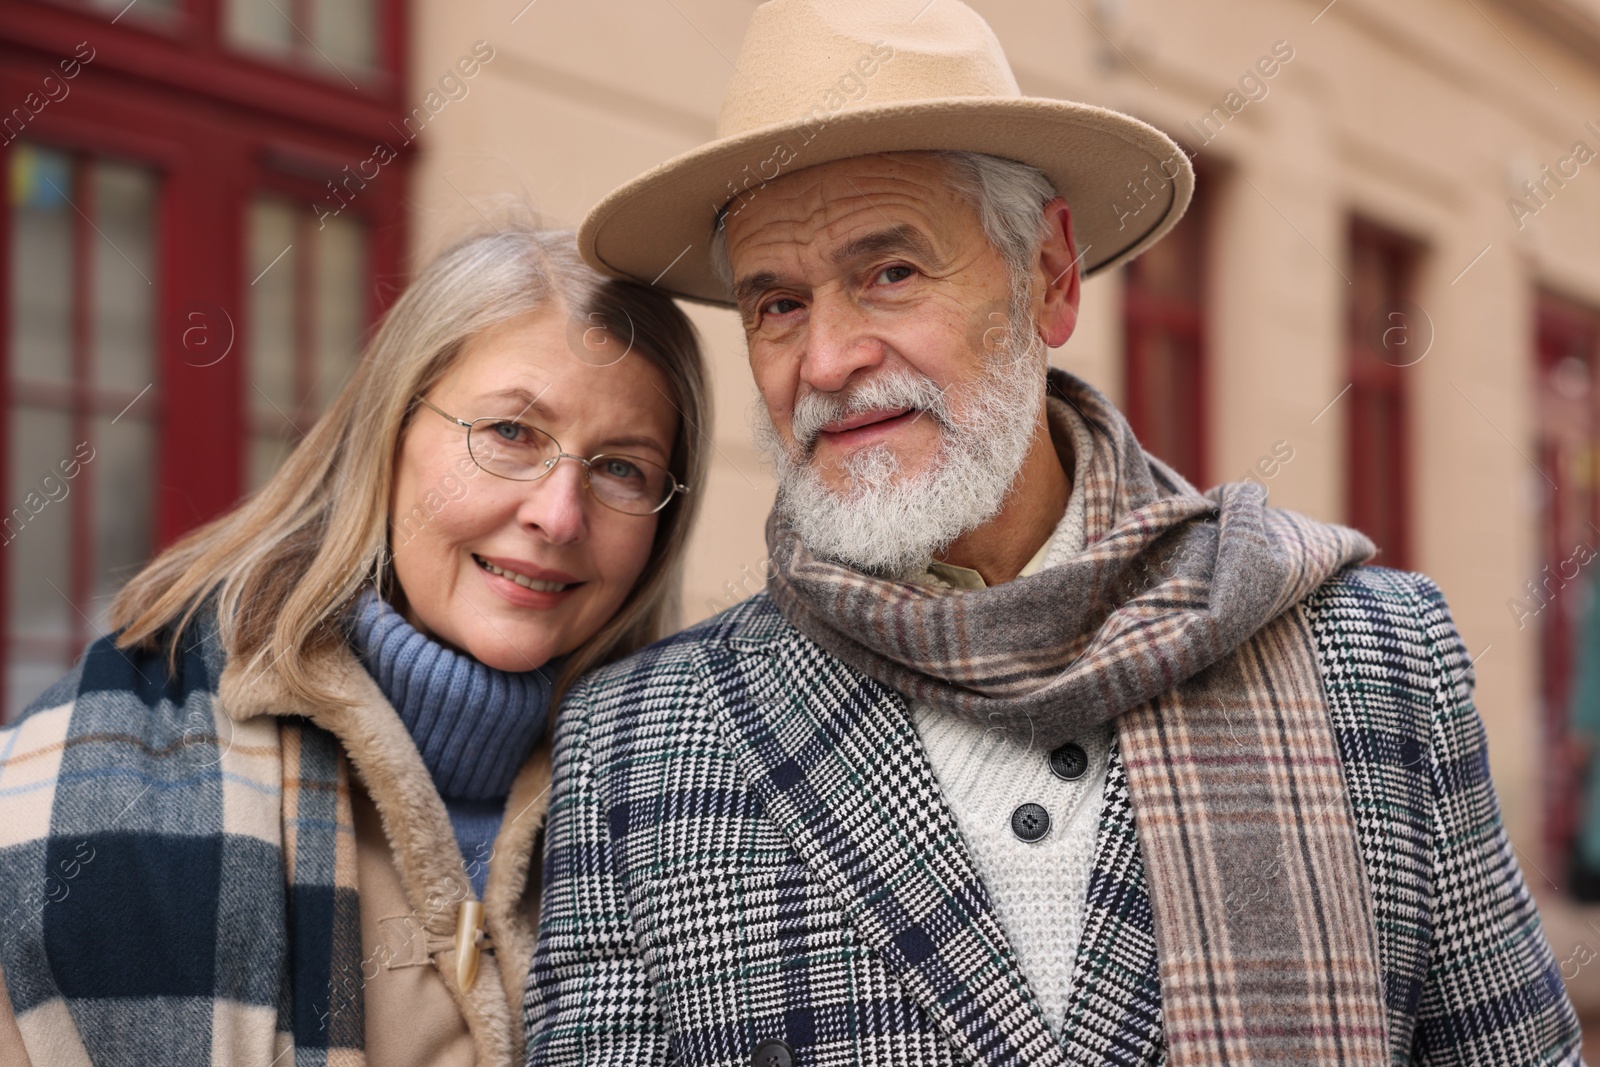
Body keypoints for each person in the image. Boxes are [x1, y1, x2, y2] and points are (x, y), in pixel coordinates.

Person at [525, 2, 1582, 1065]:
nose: (829, 358)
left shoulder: (1376, 659)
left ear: (1049, 276)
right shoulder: (637, 741)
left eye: (889, 271)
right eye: (776, 305)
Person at [0, 227, 708, 1067]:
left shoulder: (682, 800)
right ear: (390, 433)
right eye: (511, 432)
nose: (558, 515)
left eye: (623, 468)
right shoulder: (77, 787)